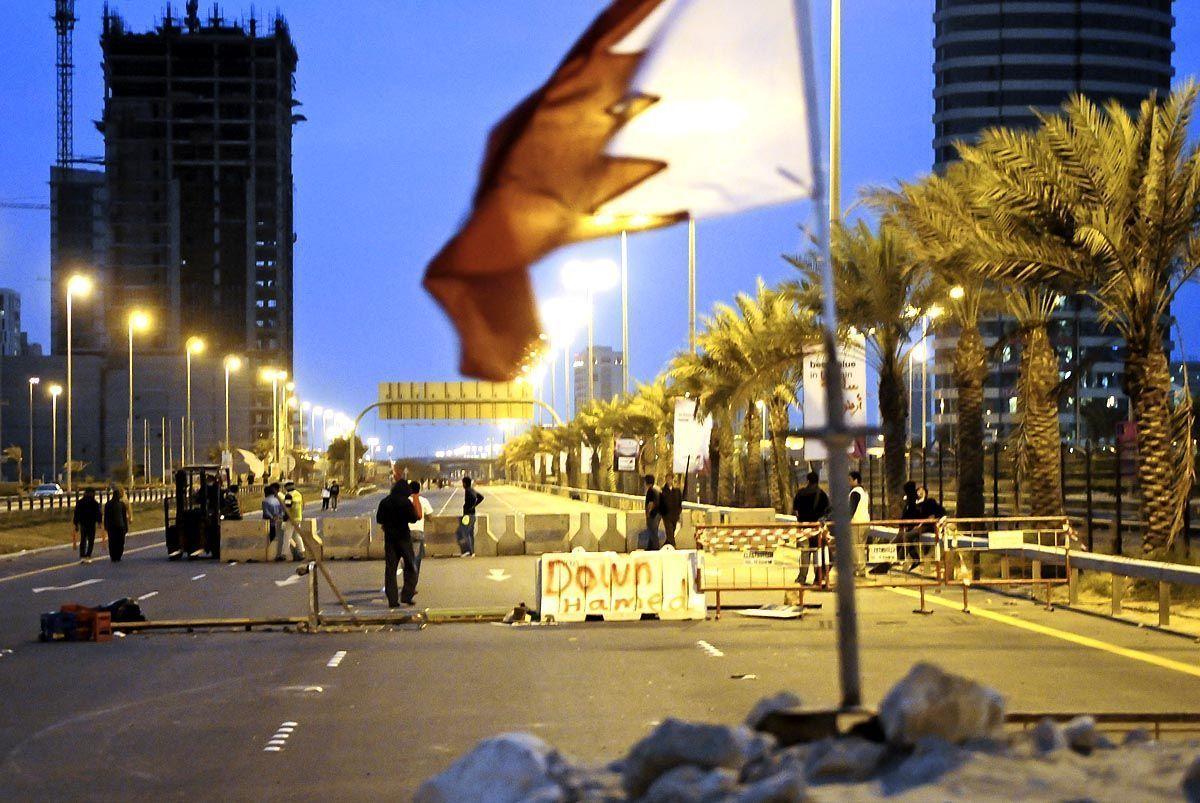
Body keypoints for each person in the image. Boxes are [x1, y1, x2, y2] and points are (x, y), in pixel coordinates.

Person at [376, 467, 420, 607]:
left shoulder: (385, 502)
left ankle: (392, 600)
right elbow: (414, 518)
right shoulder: (406, 502)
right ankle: (407, 595)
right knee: (411, 567)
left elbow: (379, 519)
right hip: (404, 538)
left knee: (390, 570)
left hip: (390, 539)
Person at [409, 479, 433, 573]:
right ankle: (414, 578)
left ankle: (405, 565)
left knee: (407, 555)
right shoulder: (423, 501)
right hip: (418, 532)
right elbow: (430, 518)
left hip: (406, 533)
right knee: (417, 558)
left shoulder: (405, 501)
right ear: (419, 490)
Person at [457, 476, 484, 556]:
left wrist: (469, 506)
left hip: (467, 515)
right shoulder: (472, 490)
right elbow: (481, 497)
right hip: (472, 514)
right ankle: (473, 551)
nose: (462, 485)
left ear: (465, 483)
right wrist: (474, 505)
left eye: (463, 483)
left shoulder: (468, 491)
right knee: (470, 533)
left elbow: (474, 498)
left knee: (464, 532)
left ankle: (468, 551)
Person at [73, 489, 103, 562]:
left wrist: (76, 523)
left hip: (83, 523)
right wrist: (99, 522)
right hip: (91, 523)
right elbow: (98, 513)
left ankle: (82, 554)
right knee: (91, 540)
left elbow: (76, 513)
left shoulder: (80, 502)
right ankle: (88, 555)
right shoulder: (95, 503)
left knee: (83, 539)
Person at [282, 480, 307, 561]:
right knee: (297, 535)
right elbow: (303, 505)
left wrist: (285, 519)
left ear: (287, 487)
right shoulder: (298, 494)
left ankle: (284, 554)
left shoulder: (289, 495)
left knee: (287, 536)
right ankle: (302, 551)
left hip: (291, 518)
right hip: (298, 517)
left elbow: (287, 508)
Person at [262, 483, 287, 560]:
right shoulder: (278, 500)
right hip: (279, 521)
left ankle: (271, 553)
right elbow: (282, 511)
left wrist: (272, 517)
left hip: (269, 522)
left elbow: (266, 512)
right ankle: (278, 553)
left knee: (271, 538)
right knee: (279, 538)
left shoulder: (265, 501)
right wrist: (278, 517)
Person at [659, 475, 684, 548]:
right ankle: (673, 545)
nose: (669, 481)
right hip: (666, 514)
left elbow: (679, 502)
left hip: (675, 514)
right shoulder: (662, 491)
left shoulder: (677, 491)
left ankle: (668, 543)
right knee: (669, 529)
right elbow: (660, 502)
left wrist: (679, 512)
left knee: (672, 530)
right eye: (667, 479)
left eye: (670, 479)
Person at [643, 474, 662, 550]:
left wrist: (648, 514)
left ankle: (655, 548)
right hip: (658, 514)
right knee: (653, 531)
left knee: (653, 532)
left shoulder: (650, 490)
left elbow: (651, 503)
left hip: (653, 514)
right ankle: (649, 547)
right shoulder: (657, 489)